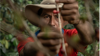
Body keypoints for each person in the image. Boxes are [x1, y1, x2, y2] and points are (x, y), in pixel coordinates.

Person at [17, 0, 95, 56]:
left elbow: (89, 38)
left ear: (63, 21)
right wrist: (39, 46)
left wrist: (78, 20)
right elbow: (26, 51)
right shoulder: (29, 41)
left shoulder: (70, 36)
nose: (52, 23)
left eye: (57, 16)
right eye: (46, 16)